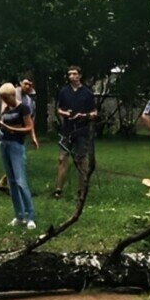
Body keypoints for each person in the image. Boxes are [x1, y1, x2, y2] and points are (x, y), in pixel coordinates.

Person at [0, 83, 36, 229]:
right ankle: (19, 215)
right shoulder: (6, 109)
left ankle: (30, 216)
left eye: (6, 98)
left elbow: (28, 127)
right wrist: (1, 127)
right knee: (11, 182)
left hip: (16, 146)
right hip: (3, 144)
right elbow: (5, 124)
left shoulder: (23, 108)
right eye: (2, 99)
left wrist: (9, 128)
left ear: (13, 95)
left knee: (20, 181)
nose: (5, 102)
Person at [53, 65, 97, 200]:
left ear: (80, 75)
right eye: (69, 74)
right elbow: (58, 109)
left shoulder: (87, 93)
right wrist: (65, 113)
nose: (71, 76)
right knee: (62, 159)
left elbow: (94, 112)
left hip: (82, 131)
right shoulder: (64, 92)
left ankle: (81, 191)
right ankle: (58, 190)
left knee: (81, 161)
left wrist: (85, 116)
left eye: (74, 74)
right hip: (67, 130)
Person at [0, 74, 39, 193]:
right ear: (20, 83)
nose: (28, 86)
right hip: (8, 134)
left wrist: (33, 137)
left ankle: (7, 183)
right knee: (15, 160)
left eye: (30, 84)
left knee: (19, 160)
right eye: (25, 83)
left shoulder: (29, 101)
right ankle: (13, 186)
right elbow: (4, 113)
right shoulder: (12, 93)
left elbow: (29, 121)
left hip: (20, 134)